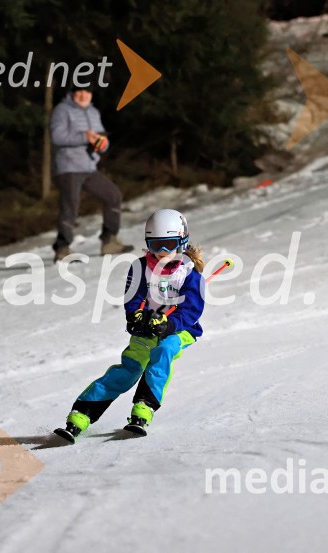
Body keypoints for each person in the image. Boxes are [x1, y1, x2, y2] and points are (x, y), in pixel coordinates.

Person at [55, 209, 206, 441]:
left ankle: (143, 408)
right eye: (156, 246)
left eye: (169, 244)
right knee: (130, 368)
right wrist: (135, 316)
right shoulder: (140, 267)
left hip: (181, 330)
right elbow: (133, 298)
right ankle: (82, 414)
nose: (163, 252)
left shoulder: (190, 273)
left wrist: (169, 325)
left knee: (163, 351)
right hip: (148, 327)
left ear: (182, 242)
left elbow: (192, 310)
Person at [50, 83, 133, 262]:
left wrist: (103, 144)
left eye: (86, 92)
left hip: (89, 167)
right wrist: (83, 137)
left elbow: (102, 136)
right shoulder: (62, 110)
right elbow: (57, 136)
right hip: (69, 167)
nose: (83, 95)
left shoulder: (93, 112)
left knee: (113, 196)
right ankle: (62, 248)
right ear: (72, 94)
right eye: (79, 92)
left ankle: (109, 241)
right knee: (70, 206)